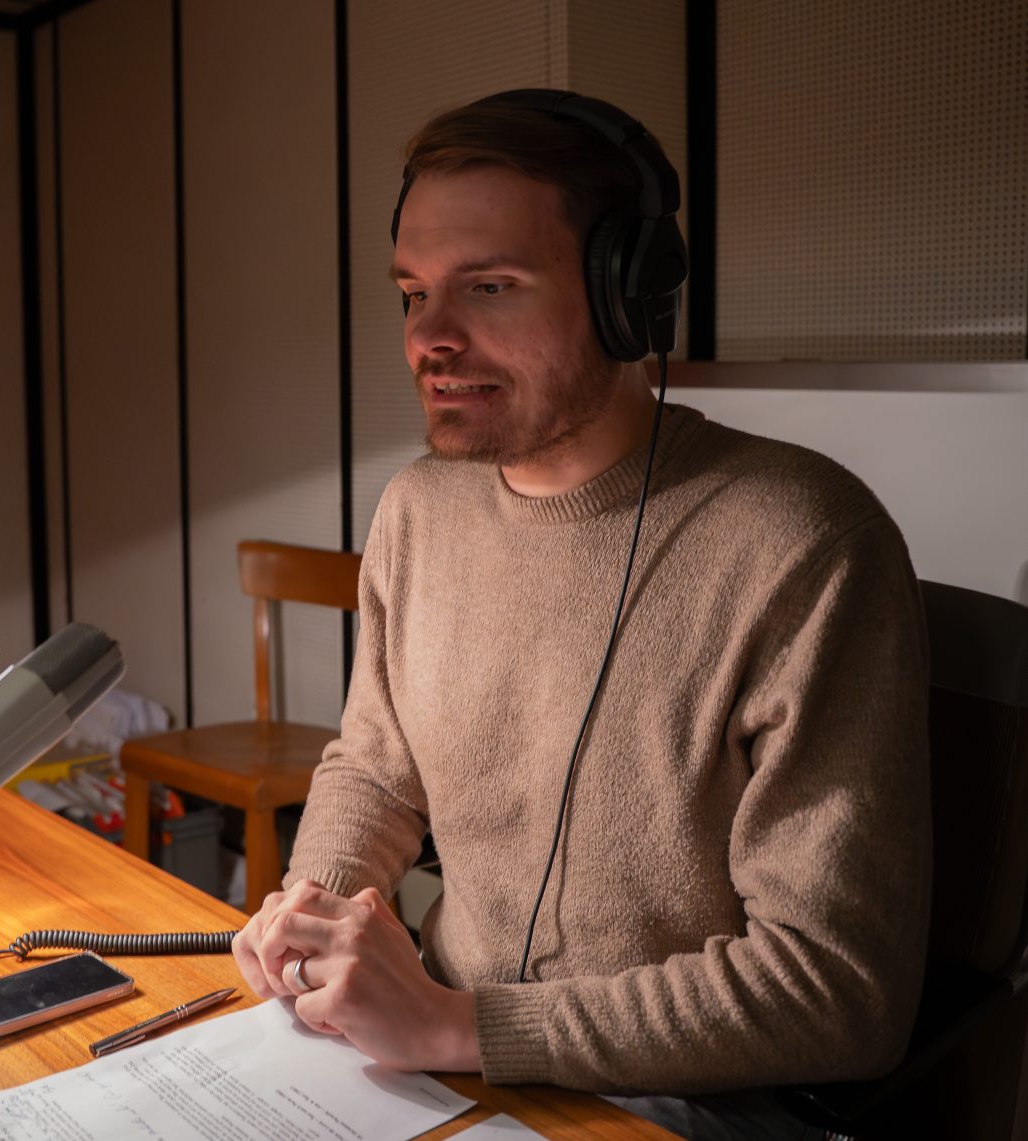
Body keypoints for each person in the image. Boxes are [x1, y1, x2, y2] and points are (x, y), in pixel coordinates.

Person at [232, 90, 932, 1140]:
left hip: (683, 1095)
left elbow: (834, 988)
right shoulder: (418, 509)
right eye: (413, 293)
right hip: (443, 1043)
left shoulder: (803, 538)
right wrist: (315, 904)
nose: (431, 337)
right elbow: (377, 765)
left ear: (627, 297)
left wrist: (462, 1026)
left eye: (491, 286)